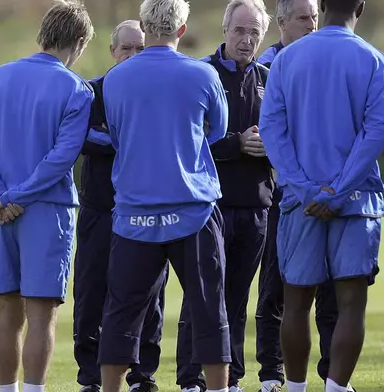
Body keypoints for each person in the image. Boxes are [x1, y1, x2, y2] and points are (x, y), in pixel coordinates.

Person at [97, 0, 231, 391]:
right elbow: (217, 131)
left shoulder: (116, 78)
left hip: (134, 213)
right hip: (193, 211)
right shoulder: (203, 74)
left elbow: (117, 135)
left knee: (121, 312)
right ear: (182, 30)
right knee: (209, 308)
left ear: (143, 25)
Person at [259, 0, 384, 391]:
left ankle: (297, 388)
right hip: (355, 201)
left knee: (296, 302)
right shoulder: (374, 60)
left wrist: (304, 188)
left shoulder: (286, 59)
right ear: (361, 8)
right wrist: (338, 191)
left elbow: (272, 129)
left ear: (322, 6)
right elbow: (377, 131)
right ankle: (335, 388)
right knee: (351, 303)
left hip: (301, 203)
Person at [0, 1, 94, 392]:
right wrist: (15, 195)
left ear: (43, 34)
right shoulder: (76, 89)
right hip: (47, 212)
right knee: (41, 315)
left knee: (7, 309)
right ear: (80, 42)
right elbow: (61, 159)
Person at [255, 1, 351, 392]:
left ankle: (331, 376)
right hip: (284, 196)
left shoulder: (328, 58)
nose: (313, 23)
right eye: (303, 18)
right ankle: (272, 375)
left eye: (315, 16)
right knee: (277, 291)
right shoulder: (266, 68)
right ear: (281, 23)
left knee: (331, 295)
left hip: (329, 193)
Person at [176, 2, 272, 392]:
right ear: (225, 28)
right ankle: (190, 378)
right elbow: (187, 140)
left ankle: (231, 379)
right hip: (208, 206)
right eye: (239, 30)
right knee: (200, 296)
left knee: (237, 298)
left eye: (254, 32)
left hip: (257, 205)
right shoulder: (201, 74)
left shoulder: (270, 78)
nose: (246, 39)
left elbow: (287, 137)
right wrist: (236, 145)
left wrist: (272, 146)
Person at [73, 20, 167, 392]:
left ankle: (141, 376)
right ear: (113, 51)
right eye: (126, 48)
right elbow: (84, 138)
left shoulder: (158, 92)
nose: (132, 55)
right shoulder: (94, 90)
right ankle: (90, 378)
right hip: (100, 209)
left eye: (140, 48)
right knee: (91, 292)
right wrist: (131, 137)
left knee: (149, 294)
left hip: (146, 209)